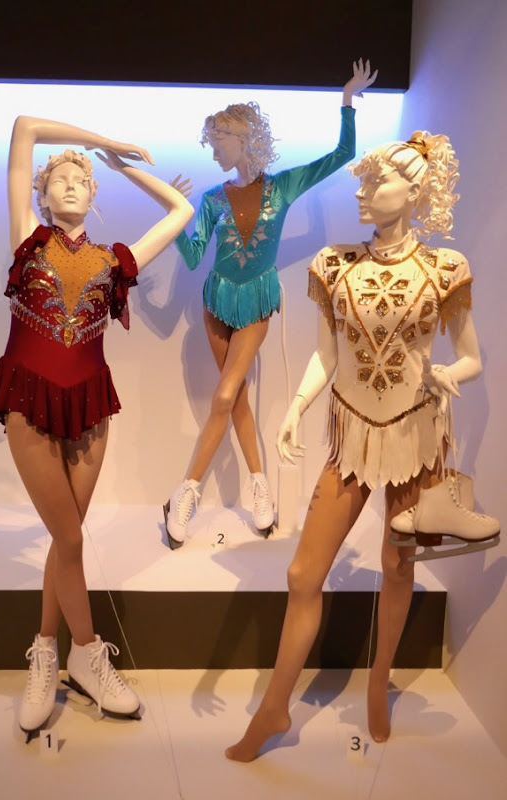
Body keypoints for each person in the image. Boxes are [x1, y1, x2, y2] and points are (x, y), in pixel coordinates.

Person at [225, 130, 492, 761]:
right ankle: (275, 706)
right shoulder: (334, 264)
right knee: (302, 574)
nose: (364, 192)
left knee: (397, 566)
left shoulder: (445, 268)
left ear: (415, 191)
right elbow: (326, 354)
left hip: (416, 434)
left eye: (379, 181)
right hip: (350, 434)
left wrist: (449, 373)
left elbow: (473, 357)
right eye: (364, 181)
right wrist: (295, 407)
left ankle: (379, 680)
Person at [0, 115, 193, 739]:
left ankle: (46, 650)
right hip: (28, 397)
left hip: (90, 406)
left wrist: (124, 168)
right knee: (72, 539)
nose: (72, 183)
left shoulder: (115, 259)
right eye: (60, 178)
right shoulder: (27, 238)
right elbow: (24, 129)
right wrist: (102, 141)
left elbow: (181, 210)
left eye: (82, 178)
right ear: (41, 194)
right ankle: (87, 650)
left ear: (94, 193)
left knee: (65, 537)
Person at [164, 60, 377, 549]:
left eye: (218, 142)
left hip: (257, 301)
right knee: (235, 397)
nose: (213, 151)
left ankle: (185, 489)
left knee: (223, 397)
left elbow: (343, 153)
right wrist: (176, 216)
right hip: (216, 301)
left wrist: (347, 100)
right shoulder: (213, 199)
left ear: (242, 140)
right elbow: (194, 255)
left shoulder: (283, 187)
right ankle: (259, 483)